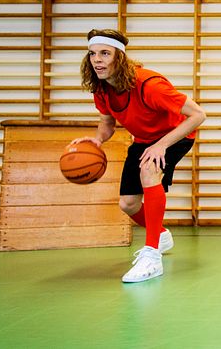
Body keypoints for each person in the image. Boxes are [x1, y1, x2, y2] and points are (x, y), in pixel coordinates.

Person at [70, 29, 206, 283]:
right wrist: (98, 140)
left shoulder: (149, 85)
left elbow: (198, 115)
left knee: (149, 170)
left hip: (175, 136)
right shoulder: (102, 88)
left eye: (104, 53)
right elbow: (108, 123)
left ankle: (152, 256)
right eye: (92, 54)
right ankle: (161, 234)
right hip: (143, 141)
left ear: (119, 57)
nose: (97, 59)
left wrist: (161, 146)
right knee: (128, 204)